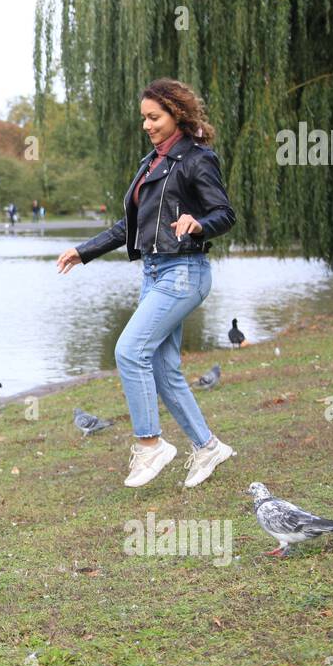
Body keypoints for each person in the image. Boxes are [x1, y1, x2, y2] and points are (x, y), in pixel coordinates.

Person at [56, 78, 237, 489]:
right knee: (161, 366)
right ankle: (208, 447)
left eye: (154, 117)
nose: (147, 125)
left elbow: (224, 214)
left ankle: (150, 444)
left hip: (184, 272)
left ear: (177, 115)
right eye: (144, 118)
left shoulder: (196, 159)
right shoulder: (151, 162)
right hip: (154, 272)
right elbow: (129, 226)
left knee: (129, 350)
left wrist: (199, 224)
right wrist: (83, 251)